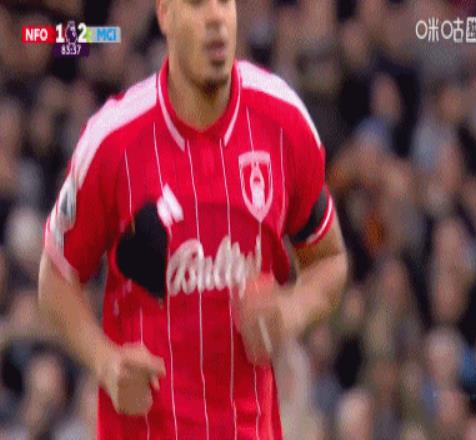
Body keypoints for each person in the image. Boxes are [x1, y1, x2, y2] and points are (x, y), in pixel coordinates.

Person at [37, 0, 348, 438]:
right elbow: (55, 280)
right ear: (165, 14)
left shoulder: (283, 122)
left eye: (225, 3)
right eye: (199, 3)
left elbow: (329, 260)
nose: (216, 18)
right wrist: (105, 362)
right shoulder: (112, 141)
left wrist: (291, 311)